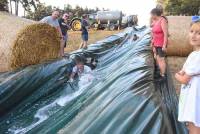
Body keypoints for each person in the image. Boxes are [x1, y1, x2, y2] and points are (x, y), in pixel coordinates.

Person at [175, 16, 200, 134]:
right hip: (193, 94)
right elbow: (185, 70)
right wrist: (182, 72)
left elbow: (184, 79)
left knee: (194, 126)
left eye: (199, 33)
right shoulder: (194, 54)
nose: (194, 35)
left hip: (195, 96)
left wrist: (176, 76)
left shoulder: (197, 56)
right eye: (192, 31)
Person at [150, 8, 168, 78]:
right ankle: (160, 72)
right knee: (157, 58)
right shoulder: (155, 21)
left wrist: (164, 45)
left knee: (161, 59)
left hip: (161, 44)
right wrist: (153, 43)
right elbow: (153, 31)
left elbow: (165, 34)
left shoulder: (162, 21)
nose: (151, 16)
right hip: (156, 43)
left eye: (151, 14)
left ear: (155, 14)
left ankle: (163, 75)